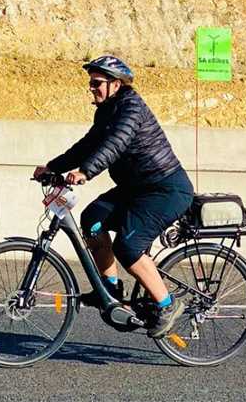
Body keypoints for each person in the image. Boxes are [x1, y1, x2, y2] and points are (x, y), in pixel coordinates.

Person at [33, 55, 194, 339]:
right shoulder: (106, 111)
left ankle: (167, 305)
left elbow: (115, 144)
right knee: (92, 218)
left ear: (115, 85)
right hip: (135, 189)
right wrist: (53, 167)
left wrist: (86, 172)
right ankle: (110, 287)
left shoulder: (131, 109)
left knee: (128, 247)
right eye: (90, 83)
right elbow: (88, 144)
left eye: (97, 83)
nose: (91, 88)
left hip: (164, 189)